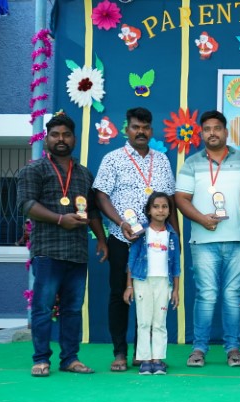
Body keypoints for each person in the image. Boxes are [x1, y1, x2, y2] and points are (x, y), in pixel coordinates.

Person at [16, 113, 108, 377]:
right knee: (43, 308)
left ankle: (70, 358)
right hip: (48, 251)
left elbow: (92, 211)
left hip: (77, 253)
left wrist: (101, 240)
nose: (61, 139)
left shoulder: (84, 174)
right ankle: (41, 359)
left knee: (72, 309)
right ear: (47, 139)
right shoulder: (34, 170)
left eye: (66, 135)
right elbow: (27, 205)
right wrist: (59, 219)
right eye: (55, 135)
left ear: (74, 139)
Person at [94, 107, 178, 372]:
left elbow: (171, 201)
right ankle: (120, 352)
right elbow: (101, 196)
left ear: (151, 130)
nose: (141, 132)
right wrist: (121, 223)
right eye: (135, 127)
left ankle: (147, 354)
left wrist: (174, 238)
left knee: (153, 296)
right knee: (120, 294)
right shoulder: (112, 159)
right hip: (124, 238)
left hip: (157, 243)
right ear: (126, 130)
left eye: (145, 127)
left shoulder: (162, 160)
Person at [175, 110, 240, 368]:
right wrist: (202, 219)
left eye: (217, 128)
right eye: (207, 129)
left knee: (233, 295)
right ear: (201, 133)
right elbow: (181, 198)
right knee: (206, 295)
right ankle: (198, 349)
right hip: (204, 241)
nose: (212, 133)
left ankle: (233, 349)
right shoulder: (192, 163)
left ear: (226, 132)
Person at [123, 192, 180, 375]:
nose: (160, 210)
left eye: (164, 207)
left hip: (164, 282)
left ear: (169, 211)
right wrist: (129, 286)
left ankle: (157, 359)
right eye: (156, 206)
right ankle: (145, 360)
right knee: (144, 321)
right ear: (148, 210)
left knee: (159, 322)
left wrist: (176, 290)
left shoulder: (172, 234)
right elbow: (131, 260)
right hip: (142, 281)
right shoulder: (141, 232)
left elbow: (176, 265)